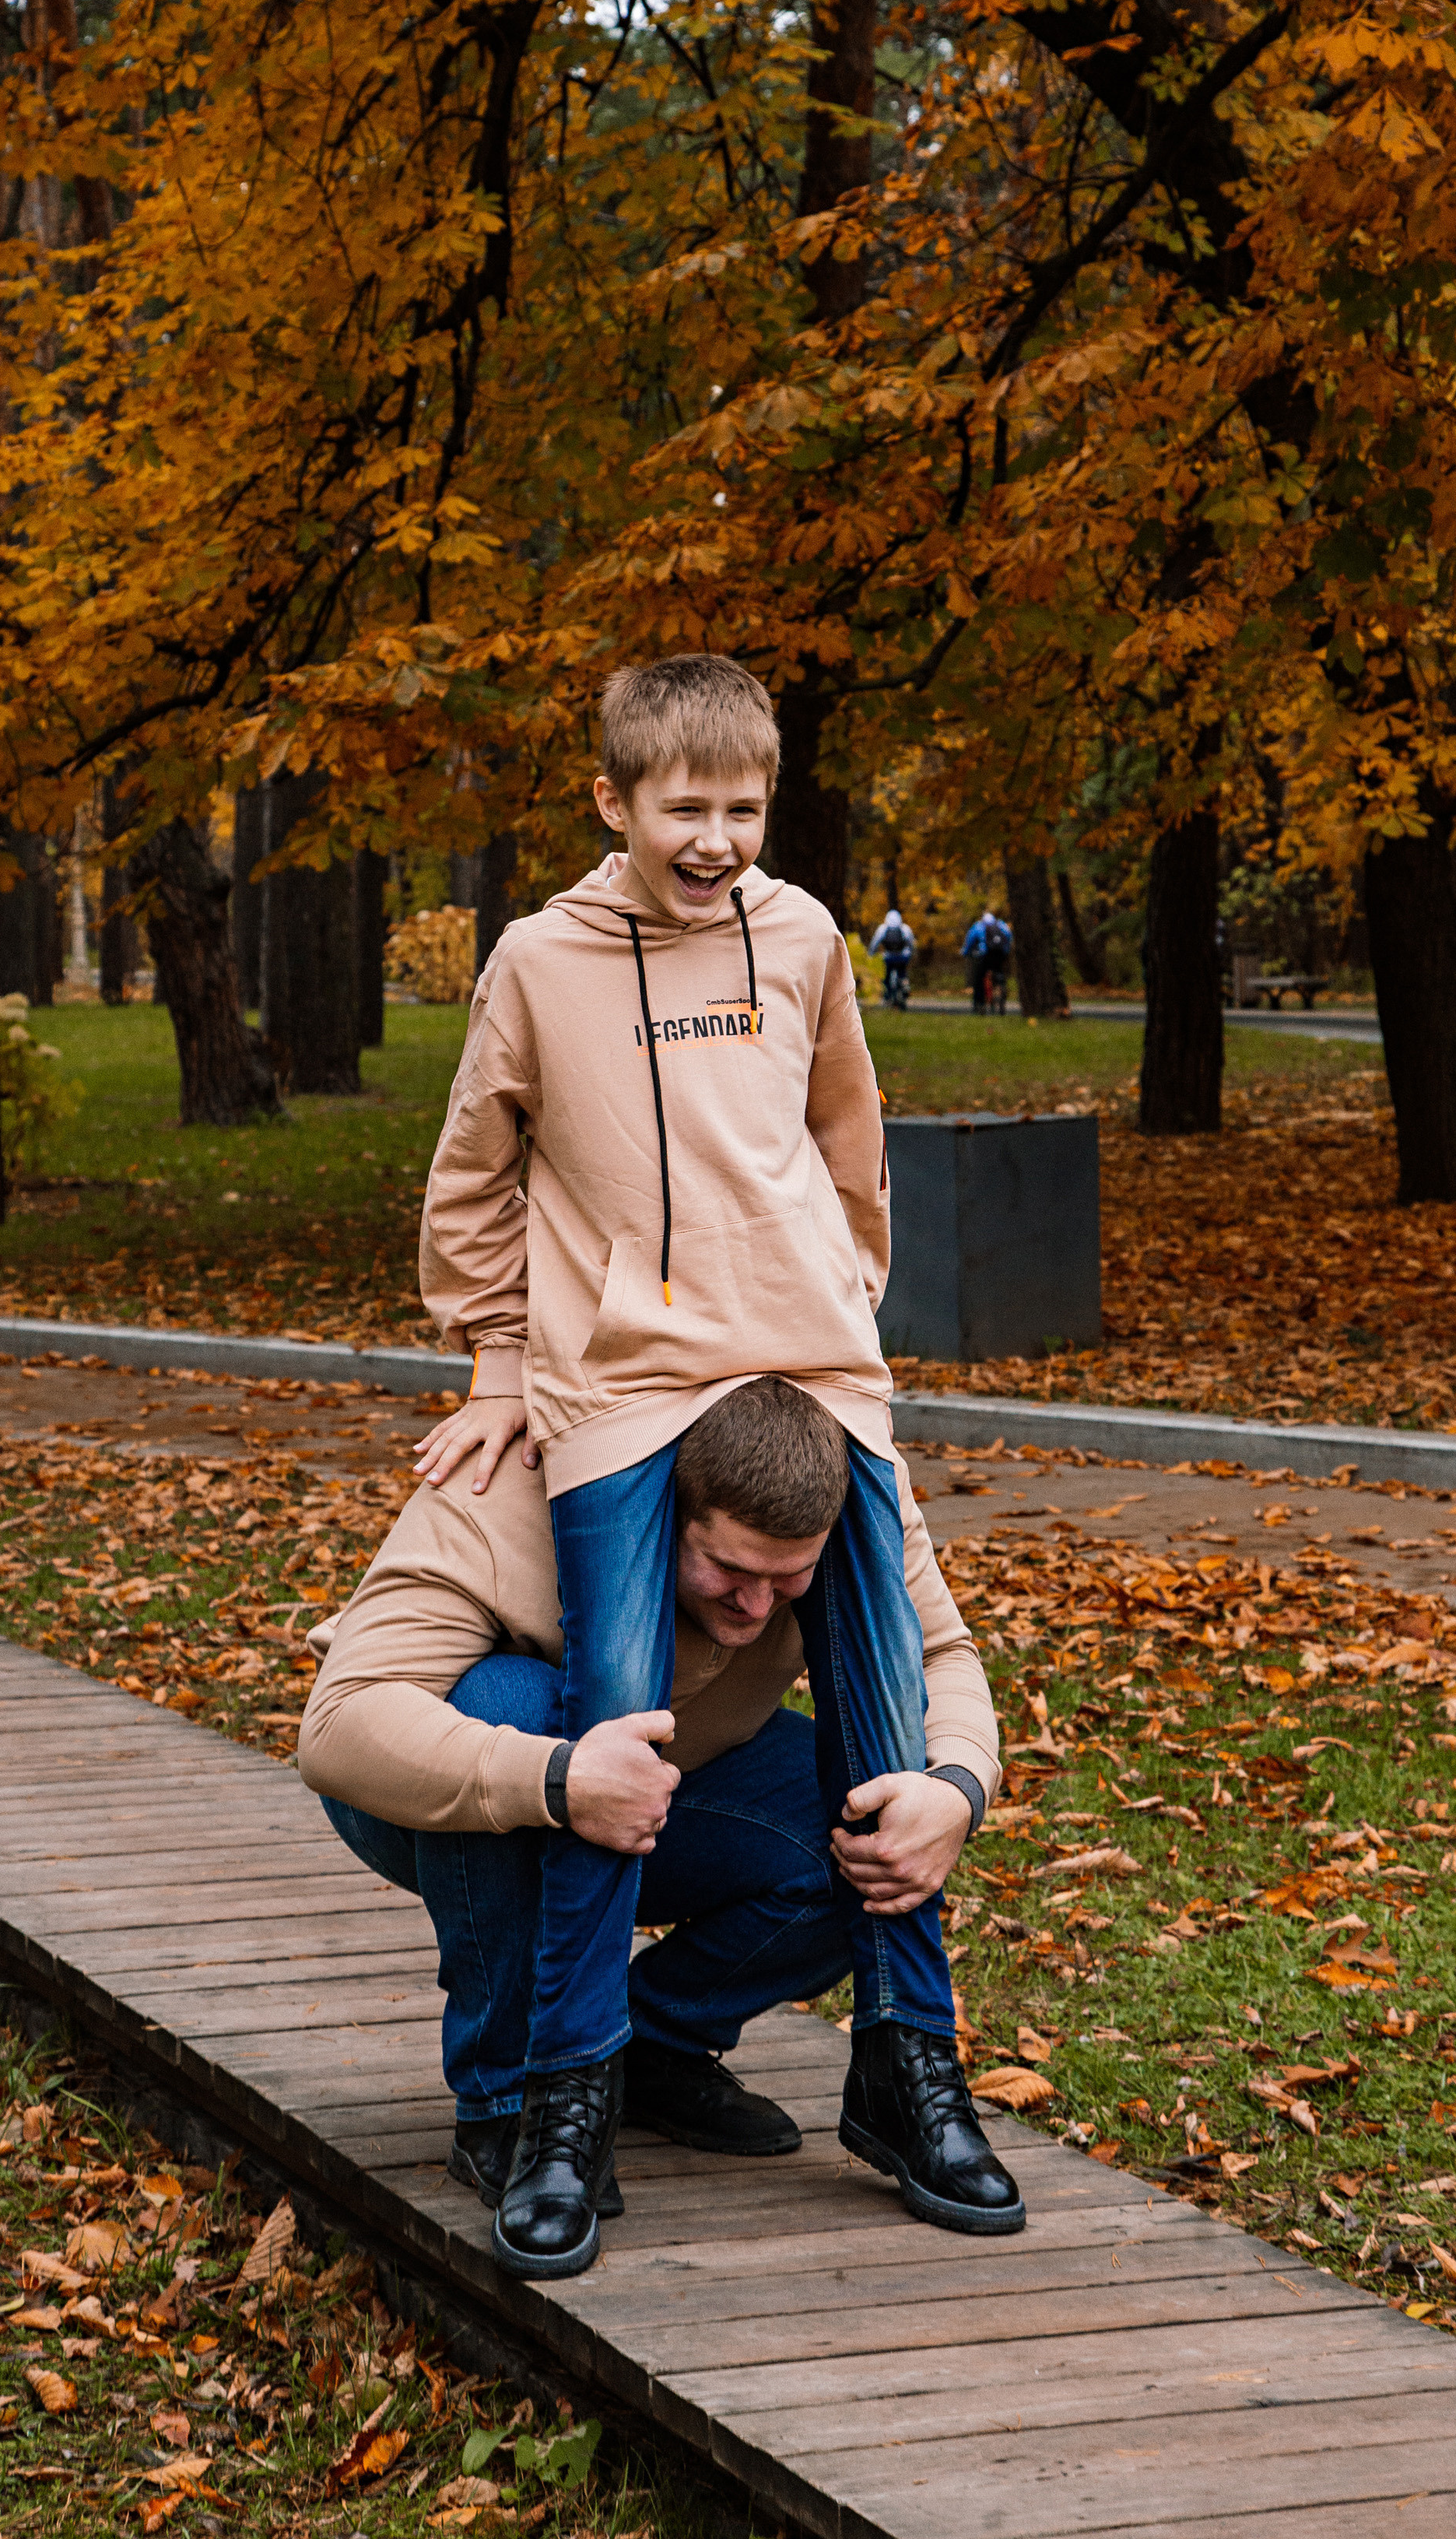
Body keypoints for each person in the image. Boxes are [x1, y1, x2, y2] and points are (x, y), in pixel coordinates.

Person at [416, 652, 1021, 2277]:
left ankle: (910, 2068)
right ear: (613, 803)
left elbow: (848, 1132)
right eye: (685, 806)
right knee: (619, 1726)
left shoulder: (807, 936)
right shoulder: (543, 961)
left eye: (743, 806)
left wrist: (848, 1291)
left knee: (885, 1714)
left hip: (810, 1359)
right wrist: (490, 1353)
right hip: (623, 1382)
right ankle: (569, 2094)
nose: (718, 837)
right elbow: (476, 1168)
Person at [300, 1378, 1005, 2273]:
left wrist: (957, 1788)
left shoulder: (858, 1496)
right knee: (512, 1702)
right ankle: (509, 2097)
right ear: (664, 1507)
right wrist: (555, 1779)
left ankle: (650, 2046)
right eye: (729, 1571)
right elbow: (338, 1729)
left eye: (787, 1579)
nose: (757, 1606)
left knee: (869, 1810)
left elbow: (940, 1652)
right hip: (457, 1792)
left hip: (679, 1787)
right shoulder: (504, 1491)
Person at [867, 904, 914, 1008]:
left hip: (888, 957)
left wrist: (871, 954)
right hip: (903, 957)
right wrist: (910, 953)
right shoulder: (905, 928)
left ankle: (887, 997)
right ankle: (905, 984)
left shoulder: (883, 928)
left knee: (887, 977)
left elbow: (875, 942)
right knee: (902, 972)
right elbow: (911, 943)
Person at [983, 910, 1013, 1016]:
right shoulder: (1001, 925)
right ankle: (1002, 990)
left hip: (990, 955)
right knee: (1000, 974)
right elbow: (1009, 936)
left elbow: (979, 940)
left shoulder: (983, 926)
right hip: (1002, 955)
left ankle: (990, 998)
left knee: (988, 974)